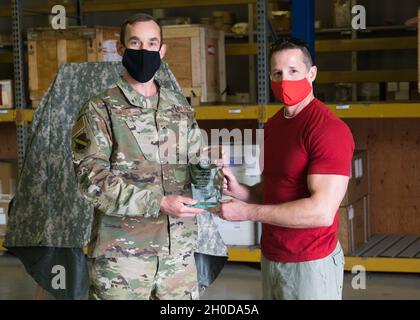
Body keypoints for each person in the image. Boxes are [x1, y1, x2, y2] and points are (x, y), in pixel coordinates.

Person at [71, 13, 208, 300]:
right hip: (123, 258)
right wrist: (157, 202)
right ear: (121, 49)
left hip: (178, 257)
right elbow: (91, 180)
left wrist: (216, 174)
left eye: (152, 43)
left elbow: (198, 162)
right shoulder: (100, 109)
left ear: (162, 51)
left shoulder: (179, 108)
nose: (144, 52)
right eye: (136, 43)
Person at [211, 38, 355, 300]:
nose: (284, 80)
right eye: (277, 73)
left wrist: (248, 212)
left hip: (310, 262)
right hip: (272, 257)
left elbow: (321, 212)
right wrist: (241, 191)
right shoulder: (274, 126)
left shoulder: (328, 129)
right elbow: (275, 189)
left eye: (293, 71)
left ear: (311, 74)